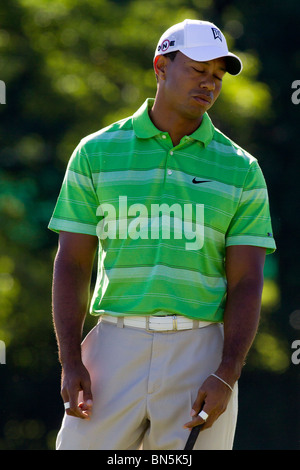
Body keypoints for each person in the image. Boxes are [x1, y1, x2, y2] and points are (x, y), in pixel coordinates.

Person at [49, 19, 276, 450]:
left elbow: (248, 280)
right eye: (197, 70)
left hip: (201, 352)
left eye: (217, 76)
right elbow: (72, 261)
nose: (209, 84)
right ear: (160, 67)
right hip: (114, 344)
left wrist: (228, 371)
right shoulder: (95, 152)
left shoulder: (242, 168)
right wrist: (70, 360)